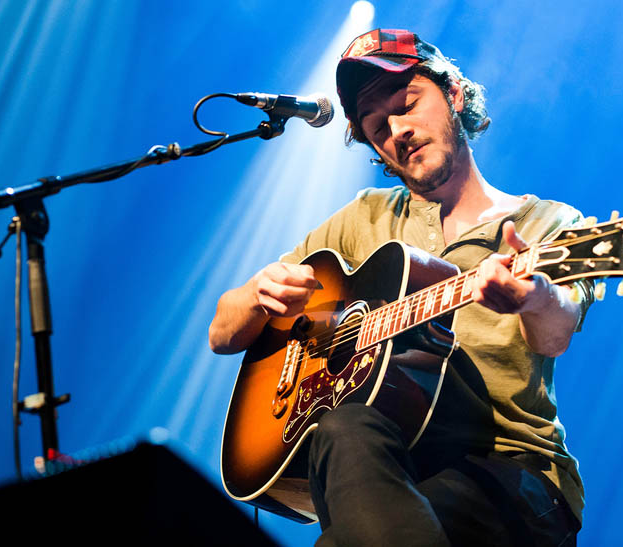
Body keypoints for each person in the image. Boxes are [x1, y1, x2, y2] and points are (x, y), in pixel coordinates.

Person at [210, 28, 593, 546]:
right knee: (345, 434)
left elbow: (556, 333)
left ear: (453, 95)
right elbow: (222, 332)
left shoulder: (544, 222)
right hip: (391, 475)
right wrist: (259, 294)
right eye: (376, 126)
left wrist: (534, 295)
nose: (398, 130)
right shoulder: (364, 218)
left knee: (345, 440)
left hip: (513, 477)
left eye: (408, 104)